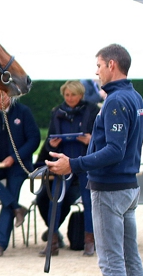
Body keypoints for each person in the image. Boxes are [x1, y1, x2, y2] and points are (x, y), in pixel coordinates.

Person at [46, 44, 143, 276]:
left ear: (112, 65)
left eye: (99, 66)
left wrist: (72, 164)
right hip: (127, 187)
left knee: (112, 263)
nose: (97, 71)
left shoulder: (116, 101)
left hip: (110, 190)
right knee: (131, 261)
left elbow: (114, 150)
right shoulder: (135, 97)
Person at [36, 80, 98, 256]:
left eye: (73, 95)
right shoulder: (57, 112)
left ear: (81, 95)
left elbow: (100, 137)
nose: (70, 98)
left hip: (85, 162)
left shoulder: (92, 110)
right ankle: (52, 241)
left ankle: (89, 241)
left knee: (88, 201)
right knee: (55, 200)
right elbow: (49, 143)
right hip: (63, 163)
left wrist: (90, 140)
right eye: (67, 95)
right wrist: (52, 144)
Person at [0, 87, 40, 257]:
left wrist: (14, 157)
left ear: (9, 95)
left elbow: (34, 139)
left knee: (11, 193)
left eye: (1, 95)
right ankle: (17, 208)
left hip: (18, 165)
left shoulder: (23, 112)